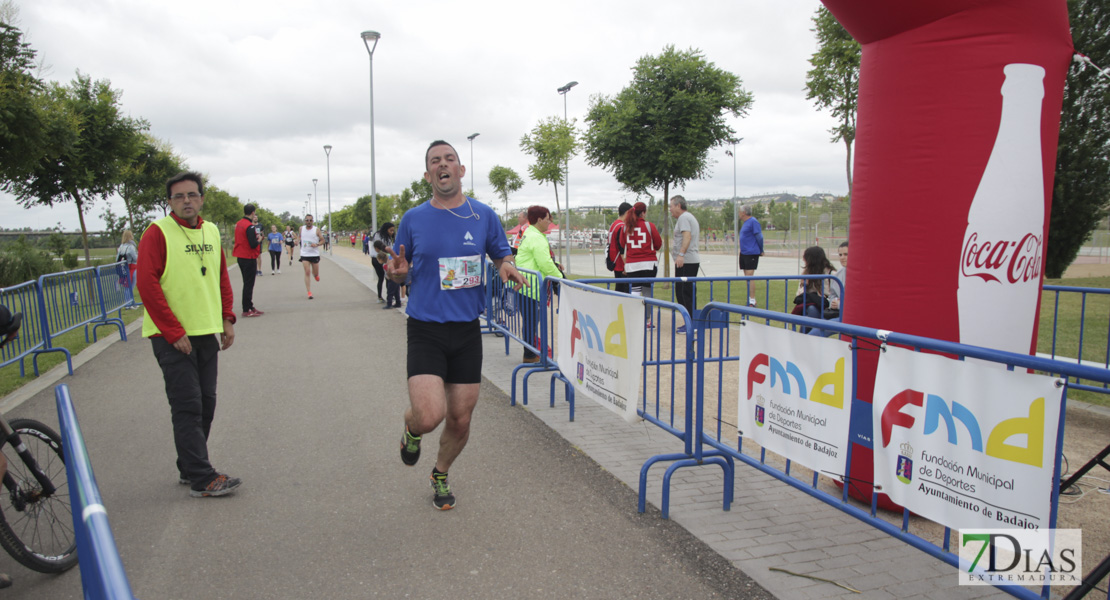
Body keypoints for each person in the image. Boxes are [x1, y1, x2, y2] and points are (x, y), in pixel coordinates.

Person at [387, 140, 525, 511]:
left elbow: (500, 253)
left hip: (466, 330)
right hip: (425, 328)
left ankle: (440, 472)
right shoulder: (413, 219)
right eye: (435, 161)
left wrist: (506, 265)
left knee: (461, 419)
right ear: (428, 174)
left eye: (449, 159)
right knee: (430, 415)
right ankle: (412, 428)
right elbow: (400, 270)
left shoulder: (483, 215)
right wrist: (399, 276)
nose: (443, 165)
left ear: (461, 171)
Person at [136, 171, 241, 498]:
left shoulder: (210, 231)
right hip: (170, 337)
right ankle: (201, 476)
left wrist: (226, 318)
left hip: (206, 332)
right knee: (188, 405)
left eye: (192, 195)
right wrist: (172, 330)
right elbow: (147, 284)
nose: (186, 201)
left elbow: (221, 278)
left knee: (207, 403)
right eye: (179, 196)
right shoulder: (157, 233)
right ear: (169, 202)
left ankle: (189, 464)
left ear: (201, 198)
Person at [515, 205, 563, 364]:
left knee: (530, 322)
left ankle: (530, 353)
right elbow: (544, 263)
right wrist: (561, 277)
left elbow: (543, 261)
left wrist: (555, 268)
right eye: (548, 218)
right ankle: (529, 355)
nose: (550, 222)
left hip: (526, 285)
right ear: (539, 219)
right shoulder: (535, 236)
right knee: (531, 322)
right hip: (531, 287)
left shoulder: (530, 233)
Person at [669, 195, 700, 334]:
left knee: (684, 292)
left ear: (678, 206)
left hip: (686, 261)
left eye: (671, 206)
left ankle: (690, 323)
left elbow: (687, 236)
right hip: (686, 260)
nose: (670, 210)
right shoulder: (686, 218)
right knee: (684, 292)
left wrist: (681, 254)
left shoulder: (684, 218)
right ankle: (690, 322)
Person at [808, 241, 848, 337]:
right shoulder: (839, 273)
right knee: (810, 312)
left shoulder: (863, 275)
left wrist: (839, 304)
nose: (842, 257)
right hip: (836, 312)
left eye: (846, 254)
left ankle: (805, 344)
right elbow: (832, 295)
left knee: (818, 330)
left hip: (848, 316)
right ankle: (802, 340)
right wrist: (833, 301)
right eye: (840, 254)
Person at [793, 246, 836, 333]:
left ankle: (803, 337)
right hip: (811, 305)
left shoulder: (831, 274)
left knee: (812, 311)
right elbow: (798, 296)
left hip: (827, 306)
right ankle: (804, 337)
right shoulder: (806, 273)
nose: (804, 260)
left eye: (805, 258)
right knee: (811, 309)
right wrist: (804, 285)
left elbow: (835, 294)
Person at [232, 204, 263, 317]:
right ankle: (246, 309)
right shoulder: (249, 226)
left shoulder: (238, 224)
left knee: (247, 283)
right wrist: (259, 239)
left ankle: (249, 305)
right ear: (253, 212)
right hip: (248, 257)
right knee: (249, 284)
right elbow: (253, 243)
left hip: (240, 256)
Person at [738, 204, 764, 306]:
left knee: (750, 276)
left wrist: (760, 250)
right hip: (744, 252)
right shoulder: (745, 223)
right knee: (746, 277)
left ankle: (752, 300)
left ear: (743, 213)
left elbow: (759, 237)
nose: (739, 214)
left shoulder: (753, 221)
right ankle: (750, 298)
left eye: (740, 212)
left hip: (751, 252)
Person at [607, 202, 633, 294]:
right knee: (624, 292)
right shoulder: (621, 227)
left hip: (615, 261)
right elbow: (621, 247)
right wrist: (626, 264)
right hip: (621, 264)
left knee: (619, 290)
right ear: (627, 213)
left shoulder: (614, 225)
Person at [371, 222, 396, 303]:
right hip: (379, 259)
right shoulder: (380, 236)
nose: (392, 232)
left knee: (383, 278)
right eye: (391, 230)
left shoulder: (384, 236)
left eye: (393, 231)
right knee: (385, 278)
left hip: (379, 258)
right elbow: (383, 249)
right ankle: (385, 296)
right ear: (386, 229)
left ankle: (384, 297)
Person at [299, 214, 323, 299]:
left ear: (313, 221)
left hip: (314, 254)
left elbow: (322, 240)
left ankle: (316, 275)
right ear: (305, 221)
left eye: (310, 220)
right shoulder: (301, 229)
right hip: (305, 253)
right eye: (307, 220)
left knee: (315, 273)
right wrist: (296, 241)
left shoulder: (316, 230)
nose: (309, 222)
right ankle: (309, 292)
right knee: (307, 272)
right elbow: (300, 238)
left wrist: (316, 244)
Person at [116, 230, 139, 307]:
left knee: (127, 286)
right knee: (131, 286)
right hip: (132, 267)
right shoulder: (131, 247)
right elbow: (135, 258)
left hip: (124, 267)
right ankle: (129, 303)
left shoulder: (121, 247)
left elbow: (117, 258)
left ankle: (128, 302)